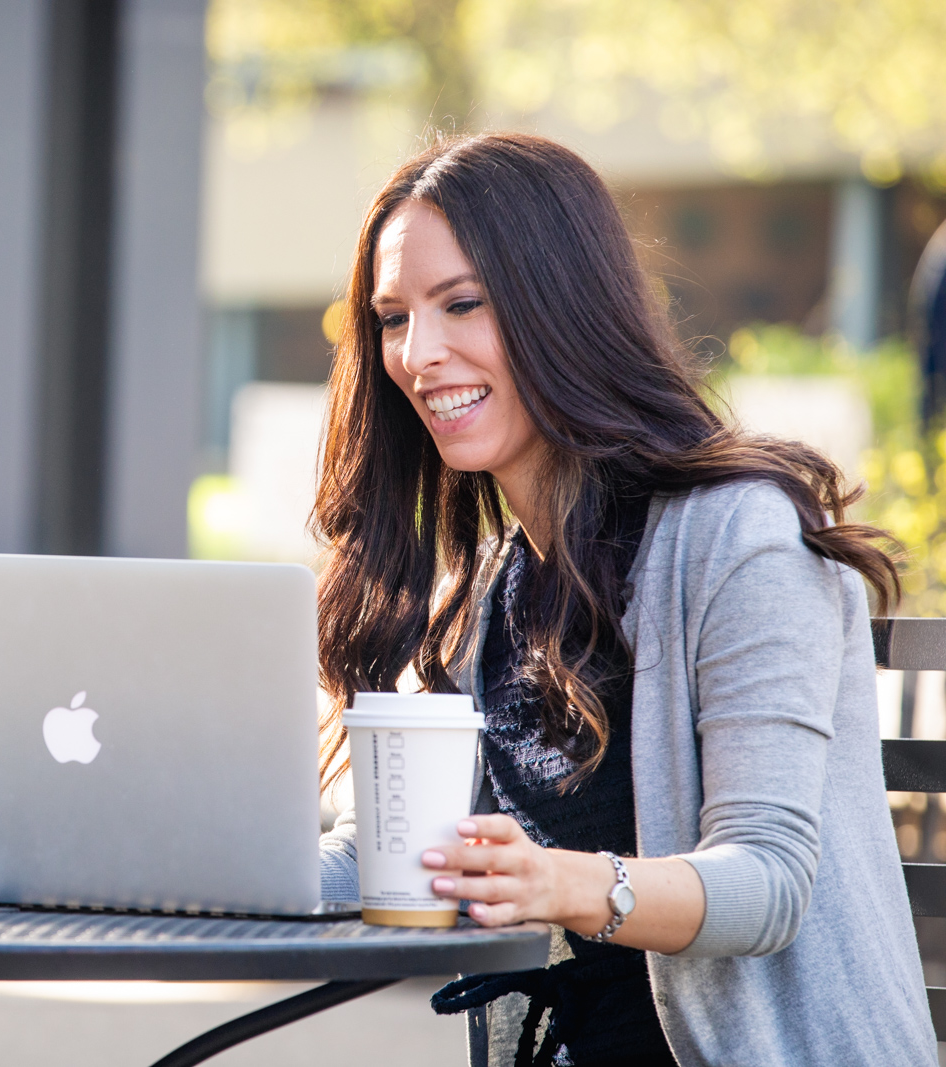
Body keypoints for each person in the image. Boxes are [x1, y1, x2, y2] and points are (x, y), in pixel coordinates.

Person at [314, 133, 936, 1066]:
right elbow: (389, 856)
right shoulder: (484, 588)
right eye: (393, 318)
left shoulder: (742, 539)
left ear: (561, 304)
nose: (418, 353)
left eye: (462, 304)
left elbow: (765, 885)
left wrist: (563, 883)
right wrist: (173, 857)